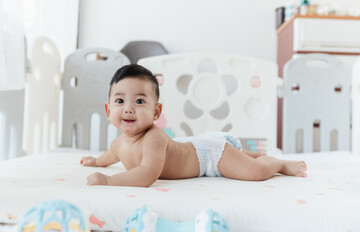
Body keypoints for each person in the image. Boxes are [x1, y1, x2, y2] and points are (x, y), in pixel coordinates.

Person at [81, 64, 307, 187]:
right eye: (120, 101)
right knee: (241, 158)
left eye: (140, 101)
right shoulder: (118, 143)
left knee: (255, 172)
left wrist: (109, 180)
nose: (128, 108)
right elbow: (110, 156)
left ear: (156, 112)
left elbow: (147, 174)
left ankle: (275, 163)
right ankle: (253, 155)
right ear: (109, 110)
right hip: (196, 147)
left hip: (209, 157)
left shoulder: (153, 138)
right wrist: (95, 162)